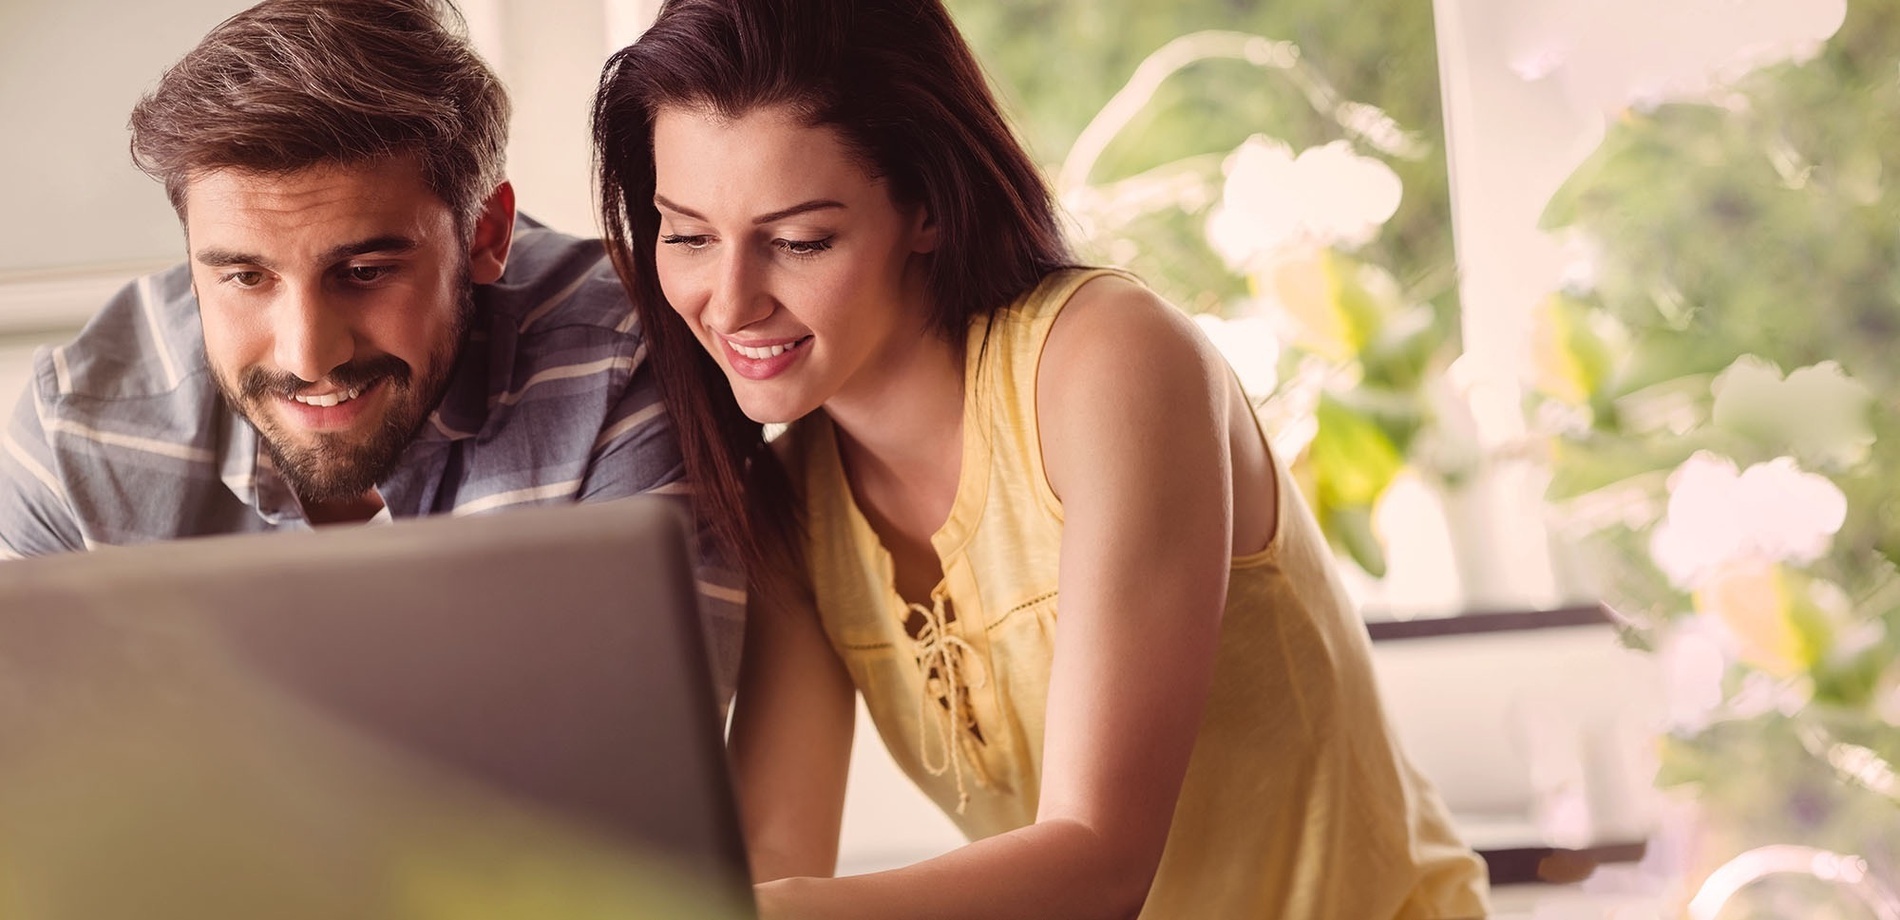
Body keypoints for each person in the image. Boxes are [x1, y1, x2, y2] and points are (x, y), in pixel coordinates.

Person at [592, 0, 1491, 917]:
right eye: (689, 234)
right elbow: (776, 854)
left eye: (798, 241)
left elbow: (1100, 862)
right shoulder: (795, 501)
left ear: (928, 208)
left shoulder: (1109, 361)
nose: (730, 301)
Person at [0, 0, 740, 700]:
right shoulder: (73, 434)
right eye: (245, 277)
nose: (308, 356)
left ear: (484, 235)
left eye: (363, 273)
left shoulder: (630, 360)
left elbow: (630, 780)